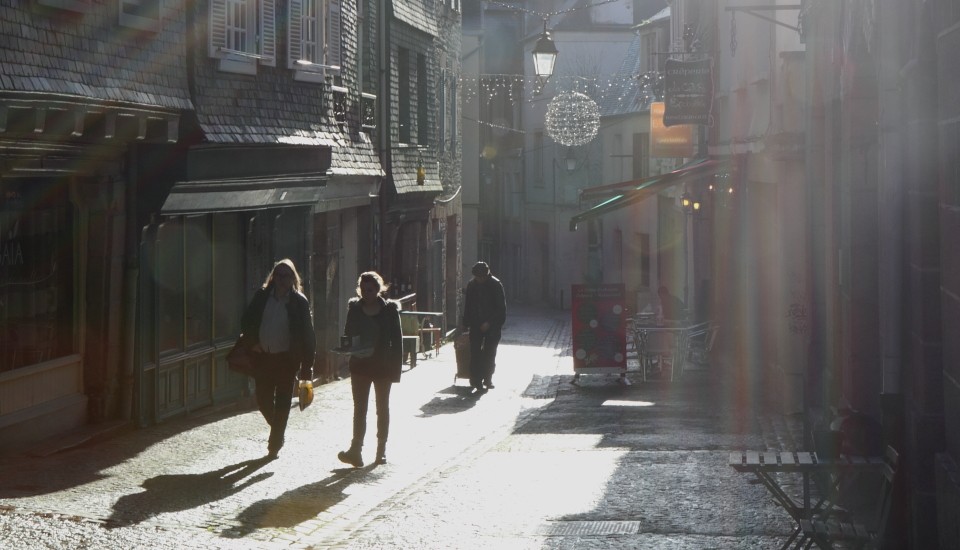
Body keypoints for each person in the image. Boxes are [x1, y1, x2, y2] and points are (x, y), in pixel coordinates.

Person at [240, 259, 316, 459]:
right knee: (263, 400)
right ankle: (278, 429)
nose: (282, 280)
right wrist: (252, 342)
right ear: (273, 277)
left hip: (286, 360)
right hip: (263, 358)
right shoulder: (262, 296)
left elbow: (308, 335)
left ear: (293, 279)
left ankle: (274, 444)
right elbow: (246, 321)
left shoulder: (299, 302)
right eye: (279, 275)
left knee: (282, 402)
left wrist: (307, 367)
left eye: (286, 276)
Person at [338, 271, 403, 467]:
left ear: (378, 290)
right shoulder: (355, 309)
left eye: (371, 289)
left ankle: (381, 450)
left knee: (382, 409)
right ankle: (355, 450)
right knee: (360, 409)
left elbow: (397, 341)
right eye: (364, 289)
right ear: (360, 289)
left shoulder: (389, 310)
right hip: (360, 365)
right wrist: (349, 347)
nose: (367, 293)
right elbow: (348, 334)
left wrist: (396, 371)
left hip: (382, 366)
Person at [461, 261, 506, 393]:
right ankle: (475, 379)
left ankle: (487, 378)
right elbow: (468, 305)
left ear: (487, 275)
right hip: (475, 324)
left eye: (482, 277)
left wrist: (490, 323)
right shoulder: (472, 285)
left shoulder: (496, 285)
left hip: (492, 326)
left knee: (489, 353)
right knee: (475, 352)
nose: (479, 280)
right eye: (477, 277)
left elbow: (501, 309)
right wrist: (465, 322)